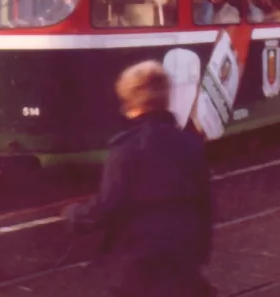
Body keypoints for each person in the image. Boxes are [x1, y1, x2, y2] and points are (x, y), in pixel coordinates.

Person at [63, 61, 214, 297]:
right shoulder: (190, 144)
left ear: (129, 100)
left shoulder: (125, 150)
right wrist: (200, 252)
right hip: (182, 256)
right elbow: (205, 204)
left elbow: (108, 205)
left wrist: (75, 215)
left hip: (139, 261)